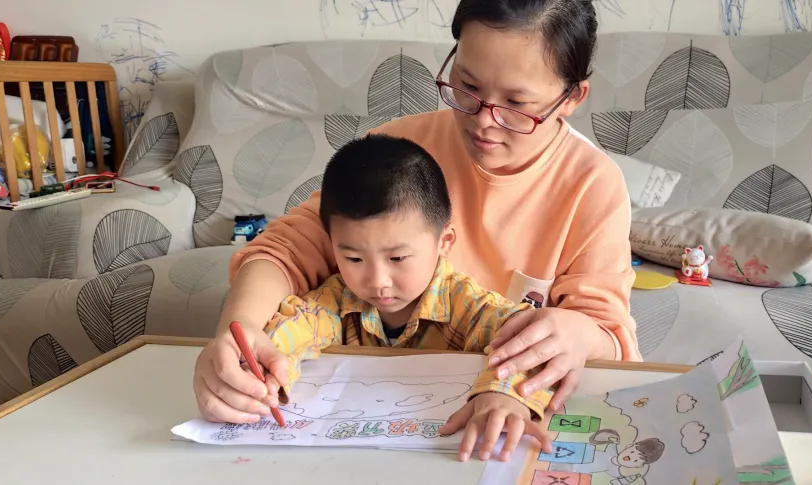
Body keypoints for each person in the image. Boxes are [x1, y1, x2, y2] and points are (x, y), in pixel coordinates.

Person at [193, 0, 639, 461]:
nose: (484, 121)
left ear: (572, 97)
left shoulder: (592, 185)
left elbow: (608, 334)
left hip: (495, 419)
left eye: (517, 104)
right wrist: (241, 332)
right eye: (467, 86)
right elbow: (287, 250)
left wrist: (577, 333)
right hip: (372, 421)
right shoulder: (401, 152)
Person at [255, 133, 555, 461]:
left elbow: (524, 337)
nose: (377, 281)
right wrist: (263, 368)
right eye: (353, 258)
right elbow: (294, 328)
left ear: (444, 242)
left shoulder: (466, 304)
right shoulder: (334, 300)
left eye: (397, 258)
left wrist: (504, 394)